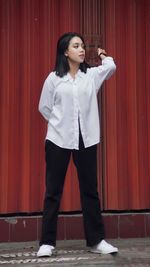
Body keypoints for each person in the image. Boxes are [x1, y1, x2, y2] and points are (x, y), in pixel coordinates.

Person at [37, 32, 118, 257]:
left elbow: (111, 67)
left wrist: (103, 55)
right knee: (53, 191)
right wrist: (59, 124)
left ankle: (97, 241)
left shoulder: (91, 76)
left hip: (86, 138)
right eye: (76, 46)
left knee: (90, 190)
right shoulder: (53, 78)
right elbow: (44, 107)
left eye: (82, 45)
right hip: (58, 139)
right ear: (65, 52)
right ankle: (47, 243)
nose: (81, 49)